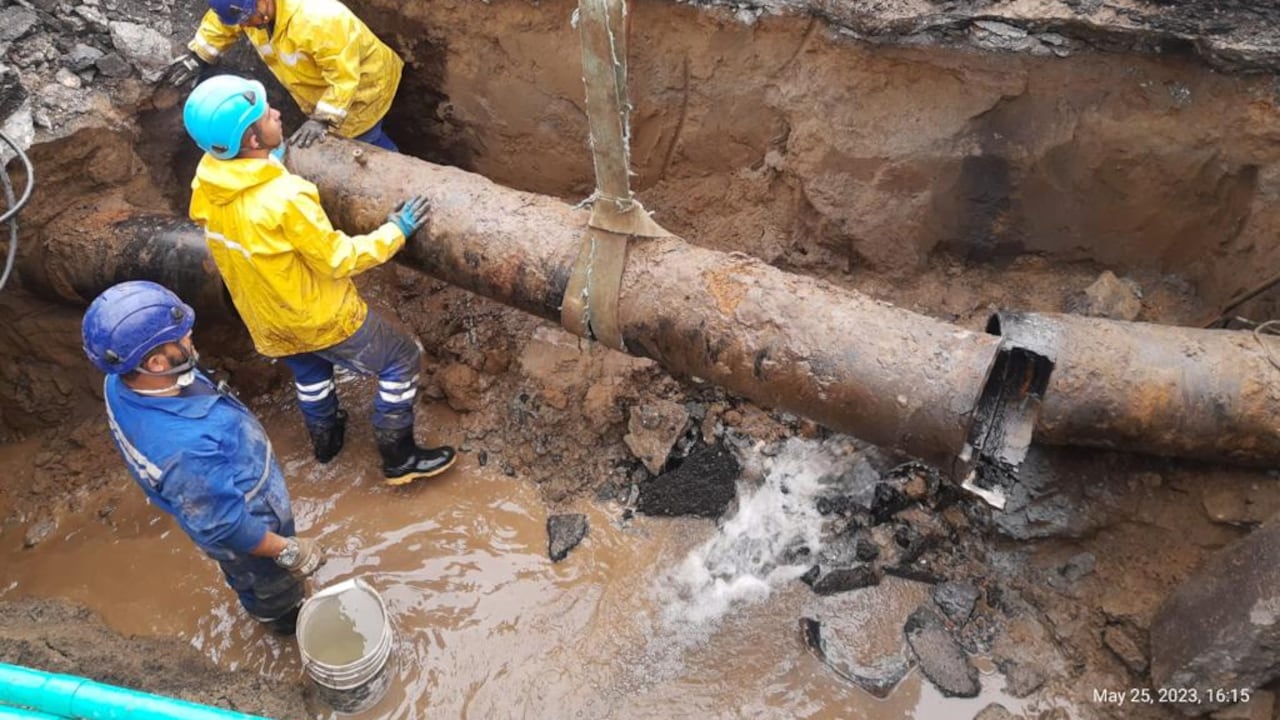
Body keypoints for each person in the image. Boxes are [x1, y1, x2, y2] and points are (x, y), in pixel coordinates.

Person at [181, 73, 456, 486]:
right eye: (266, 115)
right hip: (318, 318)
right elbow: (338, 260)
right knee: (400, 359)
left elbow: (248, 199)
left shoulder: (207, 182)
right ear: (252, 141)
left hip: (266, 319)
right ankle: (399, 457)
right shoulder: (286, 198)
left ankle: (326, 440)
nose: (277, 113)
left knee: (310, 372)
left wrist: (268, 162)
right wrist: (395, 232)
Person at [82, 280, 325, 634]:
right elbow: (225, 525)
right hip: (248, 527)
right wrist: (286, 550)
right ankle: (283, 622)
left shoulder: (121, 379)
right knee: (271, 587)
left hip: (223, 486)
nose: (191, 337)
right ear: (155, 362)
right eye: (182, 338)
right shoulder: (186, 450)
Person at [162, 0, 403, 151]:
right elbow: (224, 23)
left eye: (246, 19)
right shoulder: (246, 11)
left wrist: (323, 119)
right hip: (318, 83)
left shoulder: (319, 20)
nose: (244, 26)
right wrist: (199, 56)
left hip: (364, 87)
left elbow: (343, 77)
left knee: (363, 139)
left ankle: (398, 174)